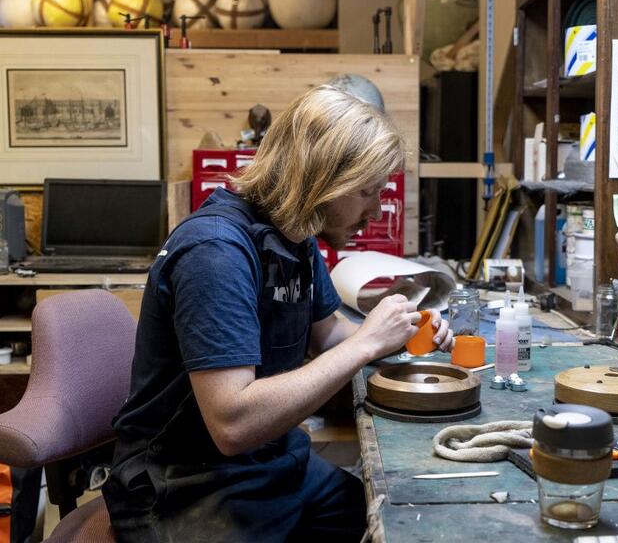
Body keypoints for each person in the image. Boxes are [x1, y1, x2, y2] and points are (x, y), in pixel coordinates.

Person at [103, 85, 454, 542]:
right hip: (186, 486)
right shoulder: (216, 252)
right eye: (367, 191)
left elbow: (326, 333)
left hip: (275, 465)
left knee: (408, 529)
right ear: (320, 178)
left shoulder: (295, 236)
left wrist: (400, 335)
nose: (376, 208)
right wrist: (367, 343)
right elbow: (233, 423)